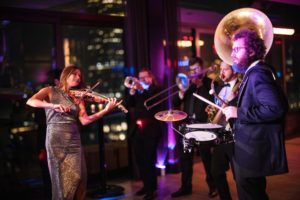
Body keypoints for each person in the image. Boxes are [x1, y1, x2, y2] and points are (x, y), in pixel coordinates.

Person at [26, 65, 120, 200]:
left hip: (74, 140)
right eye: (74, 74)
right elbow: (31, 101)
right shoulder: (50, 90)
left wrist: (105, 111)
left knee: (79, 179)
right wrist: (52, 105)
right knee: (62, 183)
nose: (78, 77)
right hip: (56, 139)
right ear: (65, 75)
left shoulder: (78, 98)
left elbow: (85, 120)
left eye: (79, 75)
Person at [223, 29, 289, 200]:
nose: (232, 54)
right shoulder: (253, 72)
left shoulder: (258, 73)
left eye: (237, 49)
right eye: (233, 49)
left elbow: (275, 108)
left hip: (252, 151)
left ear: (252, 50)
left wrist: (238, 112)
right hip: (249, 149)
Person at [171, 57, 217, 198]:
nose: (194, 72)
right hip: (188, 126)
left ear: (202, 68)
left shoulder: (210, 83)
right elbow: (175, 102)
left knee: (206, 159)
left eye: (196, 69)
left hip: (203, 126)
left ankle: (213, 186)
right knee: (185, 159)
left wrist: (201, 85)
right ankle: (185, 187)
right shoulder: (187, 85)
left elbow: (211, 103)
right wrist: (182, 92)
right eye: (191, 70)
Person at [126, 68, 163, 200]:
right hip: (137, 130)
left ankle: (151, 189)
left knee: (149, 161)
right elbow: (128, 105)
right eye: (139, 78)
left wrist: (141, 89)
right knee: (140, 160)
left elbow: (151, 105)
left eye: (144, 77)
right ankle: (146, 186)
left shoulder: (156, 90)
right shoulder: (137, 90)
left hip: (151, 130)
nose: (141, 80)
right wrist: (131, 92)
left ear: (150, 77)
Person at [206, 61, 239, 200]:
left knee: (240, 176)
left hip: (236, 137)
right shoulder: (220, 88)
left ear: (235, 71)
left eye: (225, 69)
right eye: (221, 68)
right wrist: (211, 110)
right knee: (216, 171)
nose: (221, 72)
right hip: (222, 135)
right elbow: (216, 110)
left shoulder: (241, 87)